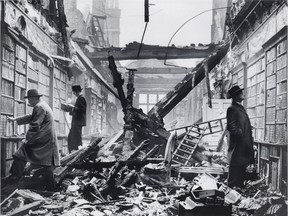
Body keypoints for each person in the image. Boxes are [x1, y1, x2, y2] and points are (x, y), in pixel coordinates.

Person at [5, 89, 60, 190]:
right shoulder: (43, 105)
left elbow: (34, 125)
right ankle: (51, 188)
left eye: (29, 99)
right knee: (47, 164)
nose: (28, 102)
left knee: (20, 153)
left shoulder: (39, 107)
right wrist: (15, 119)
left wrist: (27, 140)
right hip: (47, 139)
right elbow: (31, 117)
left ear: (34, 98)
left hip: (43, 139)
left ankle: (15, 177)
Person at [226, 85, 255, 188]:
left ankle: (237, 193)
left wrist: (247, 127)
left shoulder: (239, 107)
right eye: (241, 93)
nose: (243, 94)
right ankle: (232, 192)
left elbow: (238, 123)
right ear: (236, 96)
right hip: (239, 144)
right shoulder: (232, 108)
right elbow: (231, 126)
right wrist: (241, 133)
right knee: (235, 169)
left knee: (241, 169)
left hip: (243, 145)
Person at [62, 85, 87, 153]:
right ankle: (75, 151)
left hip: (78, 122)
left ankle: (77, 152)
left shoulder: (81, 98)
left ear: (77, 91)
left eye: (74, 92)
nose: (74, 94)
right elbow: (78, 111)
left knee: (75, 139)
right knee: (73, 138)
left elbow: (82, 110)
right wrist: (68, 109)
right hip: (77, 122)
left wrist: (72, 108)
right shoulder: (80, 98)